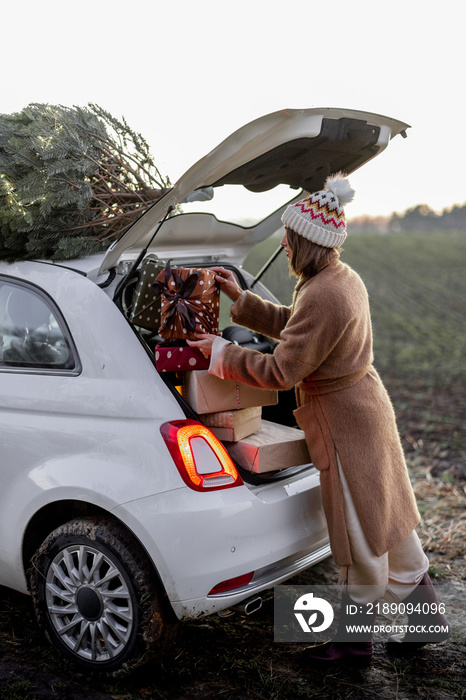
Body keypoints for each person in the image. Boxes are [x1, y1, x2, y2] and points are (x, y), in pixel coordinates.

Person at [187, 174, 450, 664]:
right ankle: (421, 624)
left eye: (289, 236)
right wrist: (243, 303)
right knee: (387, 520)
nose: (283, 242)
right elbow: (299, 327)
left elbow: (284, 369)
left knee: (358, 535)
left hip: (344, 425)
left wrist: (222, 354)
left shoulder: (325, 293)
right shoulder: (336, 280)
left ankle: (352, 649)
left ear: (307, 242)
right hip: (364, 413)